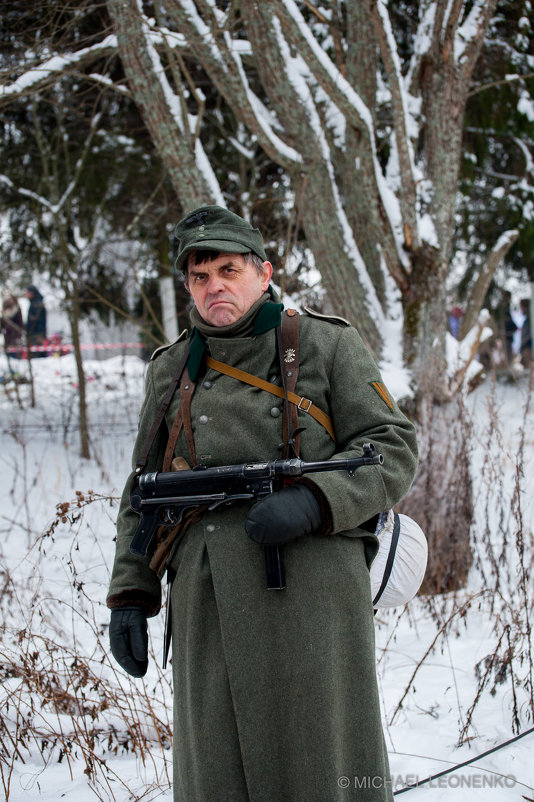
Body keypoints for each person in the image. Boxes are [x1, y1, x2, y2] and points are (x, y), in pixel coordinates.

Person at [107, 205, 419, 801]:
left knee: (319, 765)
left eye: (228, 270)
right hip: (207, 597)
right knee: (217, 772)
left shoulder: (325, 345)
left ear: (264, 272)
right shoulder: (172, 369)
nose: (214, 287)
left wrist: (316, 503)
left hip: (310, 594)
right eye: (200, 277)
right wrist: (131, 595)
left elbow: (394, 445)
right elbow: (142, 490)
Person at [25, 285, 47, 357]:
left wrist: (39, 335)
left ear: (32, 293)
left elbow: (40, 321)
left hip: (36, 335)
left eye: (27, 292)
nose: (26, 294)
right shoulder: (33, 303)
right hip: (33, 334)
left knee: (37, 356)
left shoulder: (37, 304)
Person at [519, 298, 532, 368]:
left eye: (521, 307)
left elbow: (528, 335)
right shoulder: (527, 320)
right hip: (526, 347)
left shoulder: (530, 320)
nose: (521, 309)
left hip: (528, 347)